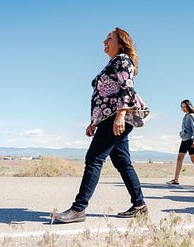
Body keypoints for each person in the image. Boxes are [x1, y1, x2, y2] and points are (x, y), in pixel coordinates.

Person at [54, 28, 150, 223]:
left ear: (122, 43)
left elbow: (126, 88)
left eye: (109, 39)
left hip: (116, 116)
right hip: (108, 117)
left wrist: (120, 115)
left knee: (94, 158)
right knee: (122, 162)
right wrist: (93, 122)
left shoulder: (123, 60)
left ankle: (78, 209)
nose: (104, 41)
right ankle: (139, 205)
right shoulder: (112, 63)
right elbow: (102, 97)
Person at [167, 100, 194, 185]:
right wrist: (181, 133)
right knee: (179, 158)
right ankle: (175, 180)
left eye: (184, 107)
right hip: (184, 140)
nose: (183, 108)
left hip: (190, 140)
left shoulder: (191, 116)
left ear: (188, 106)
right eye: (182, 107)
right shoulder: (185, 116)